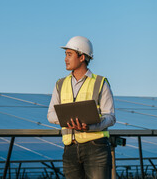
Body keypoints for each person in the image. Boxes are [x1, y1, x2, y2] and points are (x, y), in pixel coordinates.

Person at [47, 36, 116, 179]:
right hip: (70, 149)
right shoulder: (60, 84)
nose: (65, 59)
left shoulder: (100, 83)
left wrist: (90, 127)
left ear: (82, 57)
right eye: (65, 54)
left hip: (96, 147)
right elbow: (51, 115)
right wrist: (68, 120)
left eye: (69, 54)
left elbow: (110, 117)